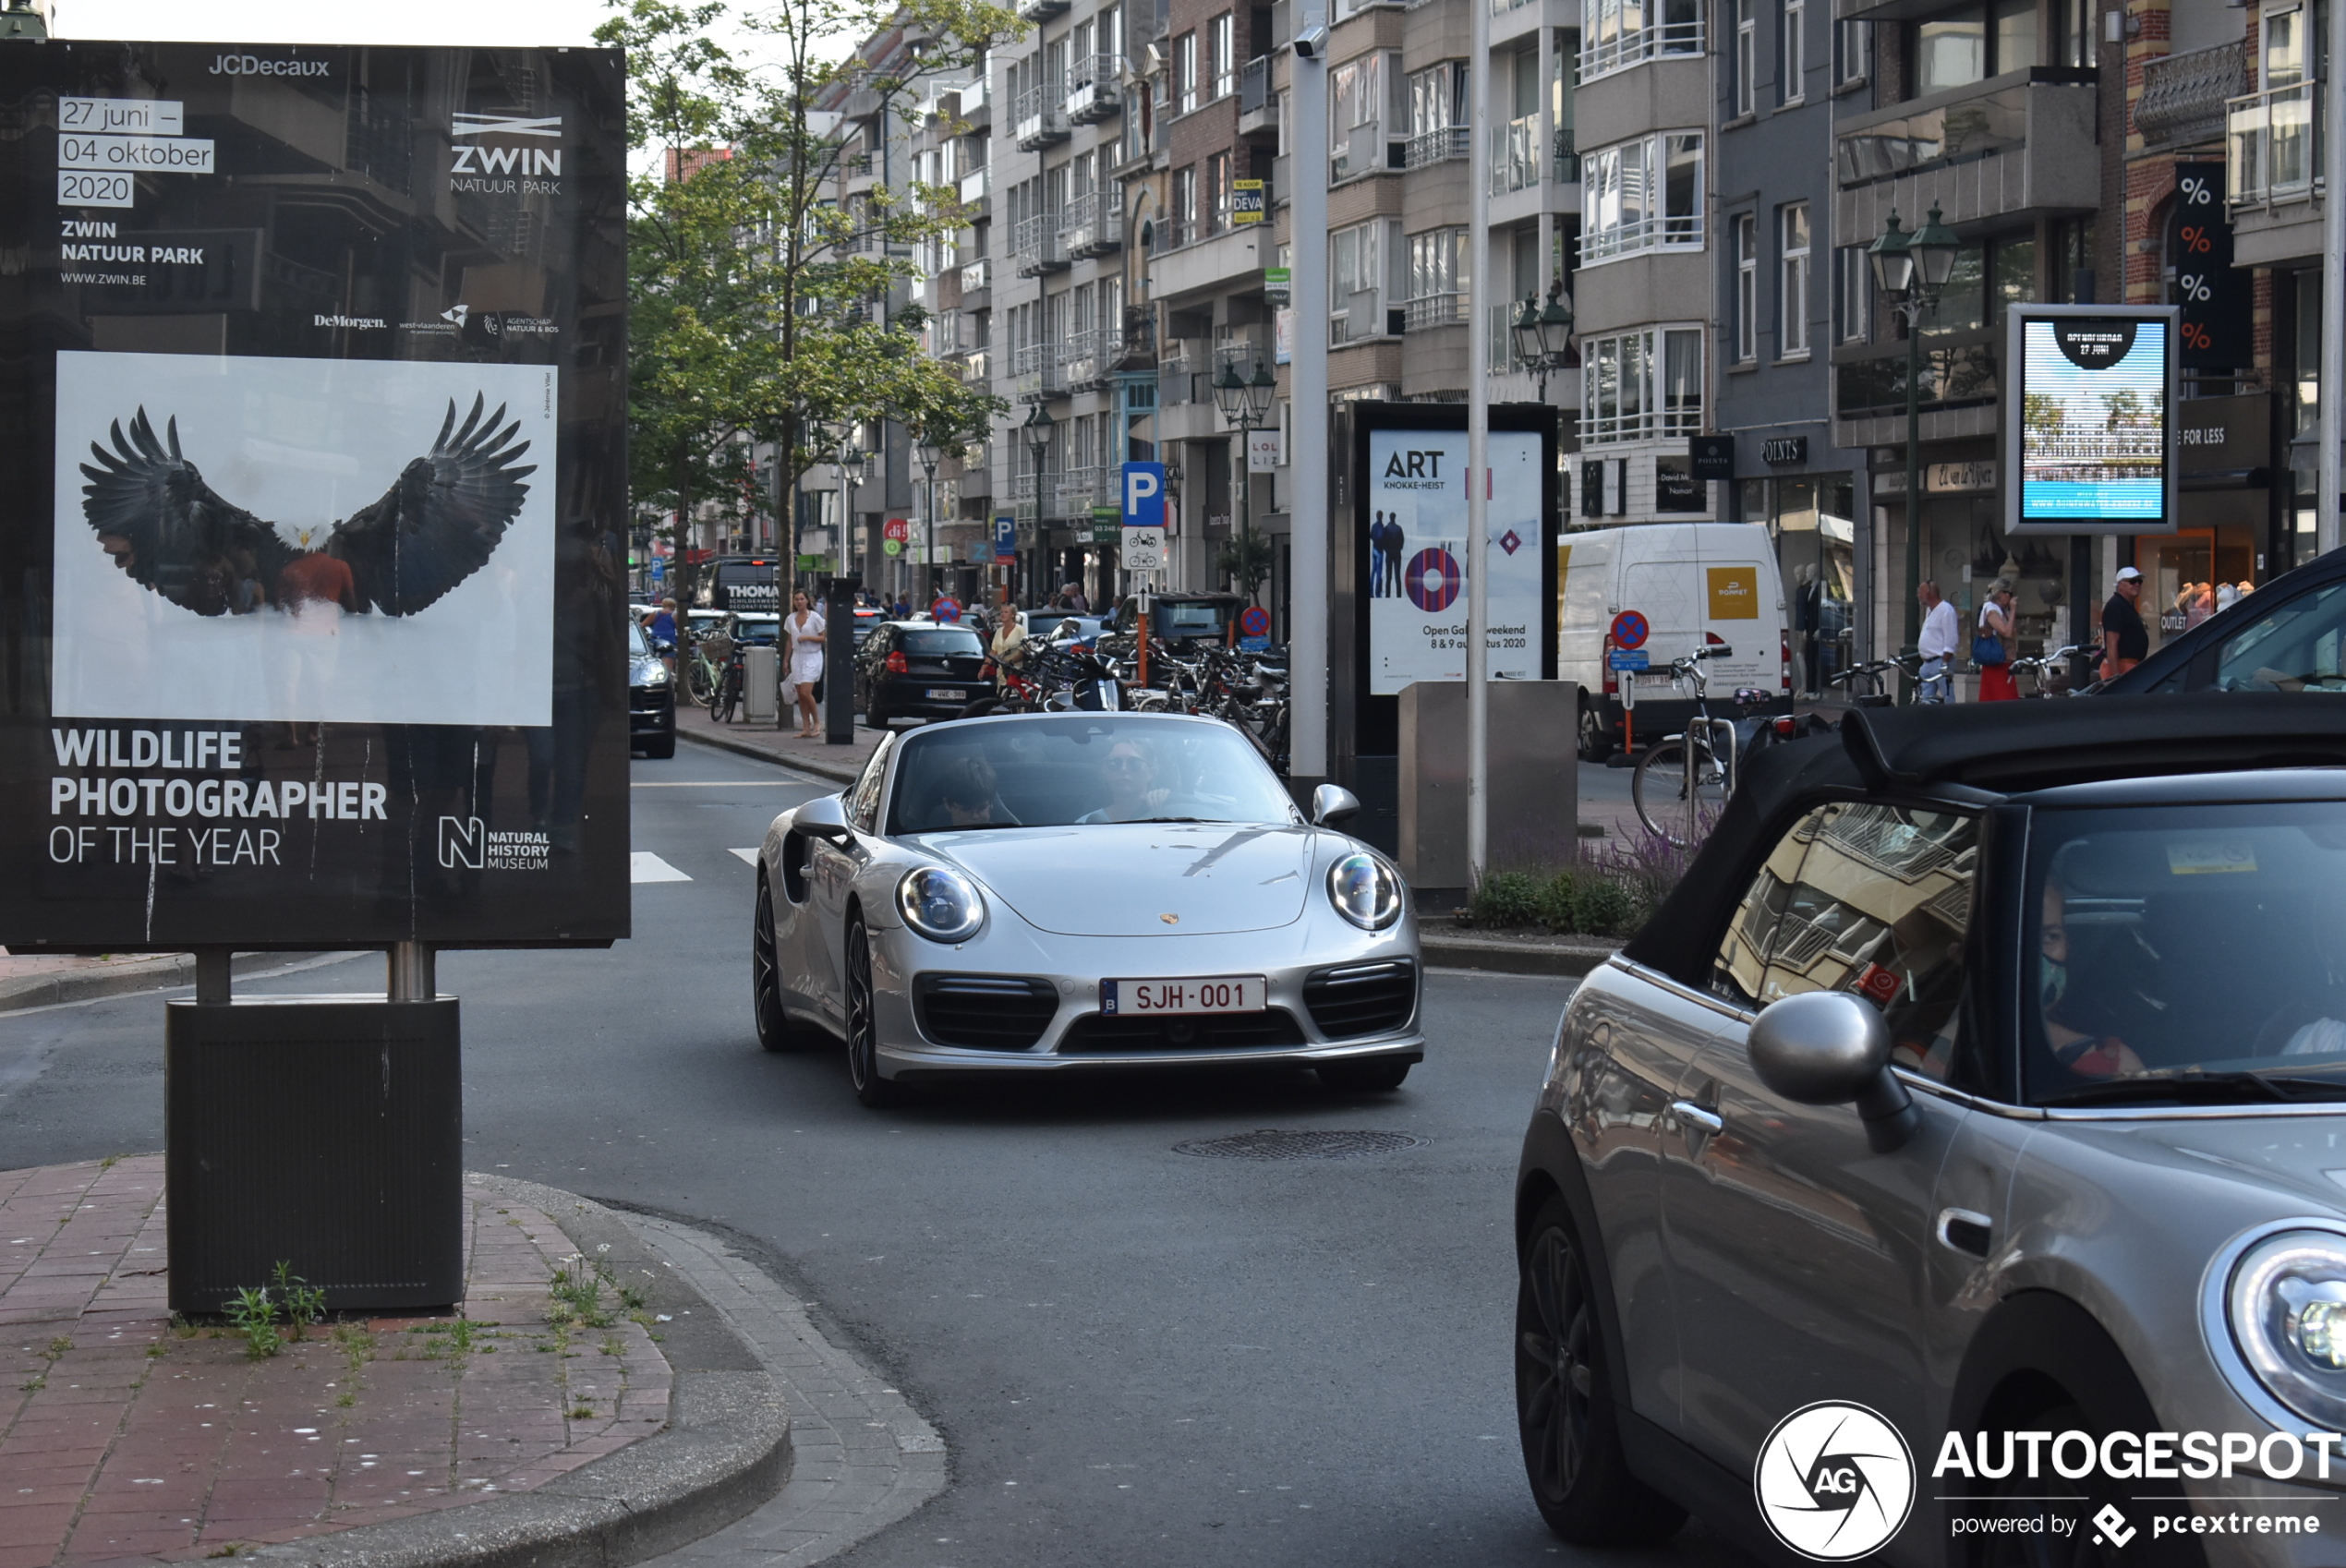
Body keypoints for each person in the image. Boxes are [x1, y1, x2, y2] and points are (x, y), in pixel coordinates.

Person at [2039, 878, 2146, 1080]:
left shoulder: (2112, 1066)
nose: (2030, 952)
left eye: (2050, 937)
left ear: (2068, 944)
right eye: (2013, 936)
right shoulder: (1960, 1062)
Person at [1078, 737, 1173, 823]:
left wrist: (1169, 800)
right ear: (1105, 772)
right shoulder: (1083, 825)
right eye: (1114, 763)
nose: (1123, 769)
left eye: (1134, 762)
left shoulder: (1171, 815)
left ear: (1151, 773)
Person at [783, 589, 827, 739]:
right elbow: (790, 641)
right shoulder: (790, 618)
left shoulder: (815, 618)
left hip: (812, 656)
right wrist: (786, 660)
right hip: (797, 657)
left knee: (805, 692)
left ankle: (817, 722)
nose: (799, 602)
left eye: (802, 599)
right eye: (796, 599)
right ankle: (805, 727)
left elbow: (823, 638)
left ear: (807, 600)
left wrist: (808, 637)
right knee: (799, 694)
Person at [2099, 565, 2148, 682]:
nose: (2137, 584)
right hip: (2122, 667)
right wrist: (2116, 676)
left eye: (2139, 581)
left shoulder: (2126, 606)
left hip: (2131, 666)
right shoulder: (2116, 606)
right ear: (2120, 585)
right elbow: (2111, 643)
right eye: (2132, 581)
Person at [1916, 579, 1958, 704]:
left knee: (1948, 697)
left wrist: (1944, 662)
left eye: (1921, 592)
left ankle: (1952, 721)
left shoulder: (1946, 610)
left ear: (1929, 593)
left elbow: (1951, 640)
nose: (1919, 595)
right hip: (1928, 663)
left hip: (1940, 661)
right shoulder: (1930, 610)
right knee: (1925, 700)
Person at [1976, 580, 2018, 702]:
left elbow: (2012, 629)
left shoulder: (2002, 610)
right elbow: (2006, 632)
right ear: (2000, 594)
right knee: (2001, 697)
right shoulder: (1991, 609)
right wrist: (2013, 609)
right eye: (2009, 593)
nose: (2010, 597)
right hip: (1997, 662)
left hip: (2005, 662)